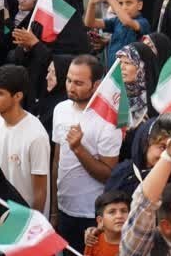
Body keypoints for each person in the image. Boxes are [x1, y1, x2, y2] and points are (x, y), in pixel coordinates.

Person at [52, 55, 122, 252]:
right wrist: (54, 209)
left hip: (91, 215)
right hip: (64, 209)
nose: (70, 87)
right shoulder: (60, 109)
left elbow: (108, 175)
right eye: (68, 80)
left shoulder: (108, 121)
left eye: (79, 83)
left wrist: (78, 149)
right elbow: (57, 160)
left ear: (96, 85)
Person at [0, 65, 50, 215]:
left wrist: (33, 223)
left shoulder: (36, 136)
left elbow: (40, 191)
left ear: (17, 96)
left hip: (26, 215)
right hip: (3, 209)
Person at [84, 0, 150, 62]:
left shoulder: (143, 22)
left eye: (129, 3)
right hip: (111, 66)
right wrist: (91, 3)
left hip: (130, 67)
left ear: (139, 5)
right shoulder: (116, 21)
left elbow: (127, 22)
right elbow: (90, 23)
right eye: (120, 3)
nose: (124, 7)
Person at [84, 190, 130, 256]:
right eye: (112, 212)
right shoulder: (93, 240)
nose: (119, 216)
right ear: (100, 221)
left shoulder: (138, 242)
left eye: (124, 211)